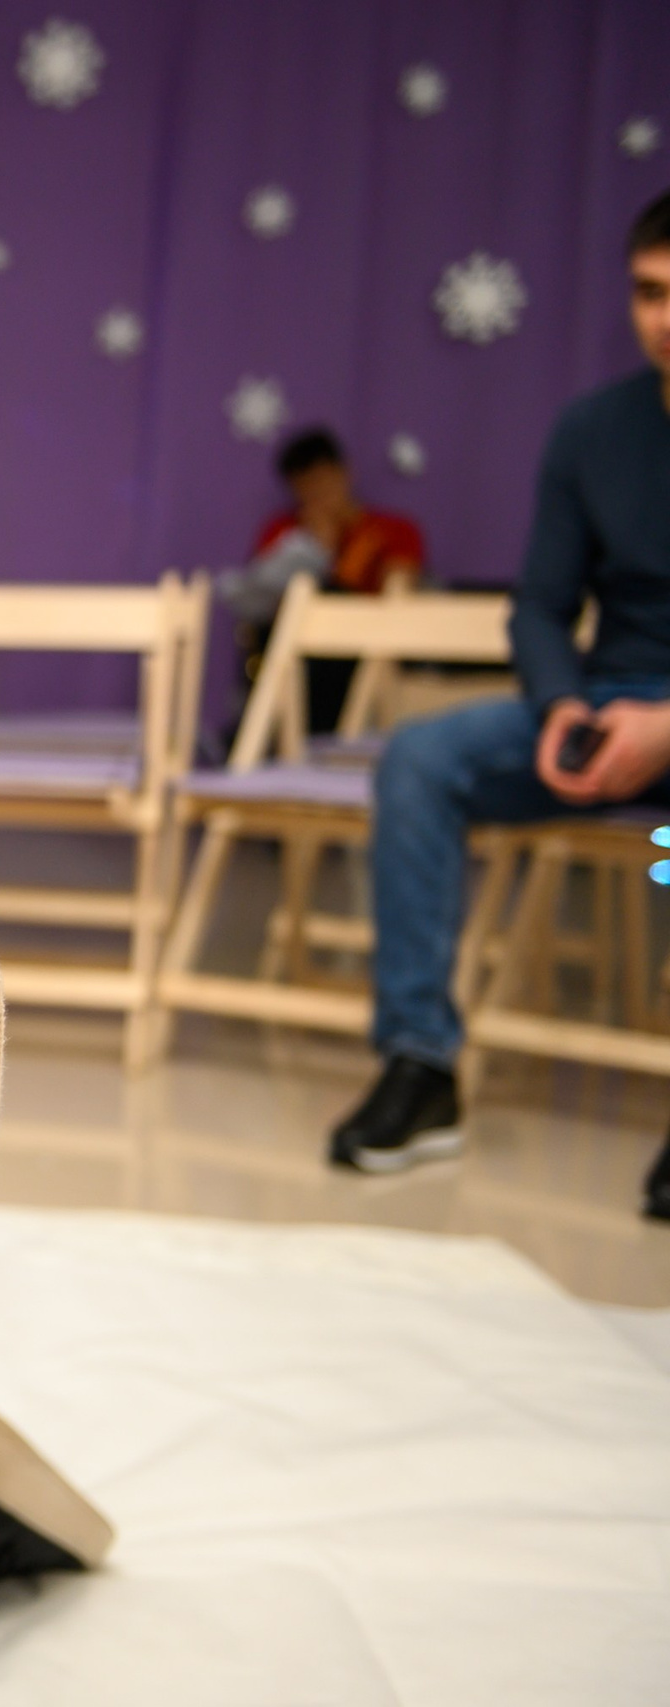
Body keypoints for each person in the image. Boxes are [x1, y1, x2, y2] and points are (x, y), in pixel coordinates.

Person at [327, 189, 670, 1224]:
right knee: (421, 760)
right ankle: (423, 1064)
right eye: (650, 293)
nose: (666, 319)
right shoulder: (592, 430)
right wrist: (563, 704)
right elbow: (538, 608)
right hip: (601, 709)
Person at [220, 428, 427, 736]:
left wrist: (330, 559)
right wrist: (312, 549)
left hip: (363, 652)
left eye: (322, 480)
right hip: (294, 651)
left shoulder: (394, 530)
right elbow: (267, 603)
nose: (315, 493)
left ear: (345, 473)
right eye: (304, 487)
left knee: (331, 603)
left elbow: (399, 600)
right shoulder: (283, 531)